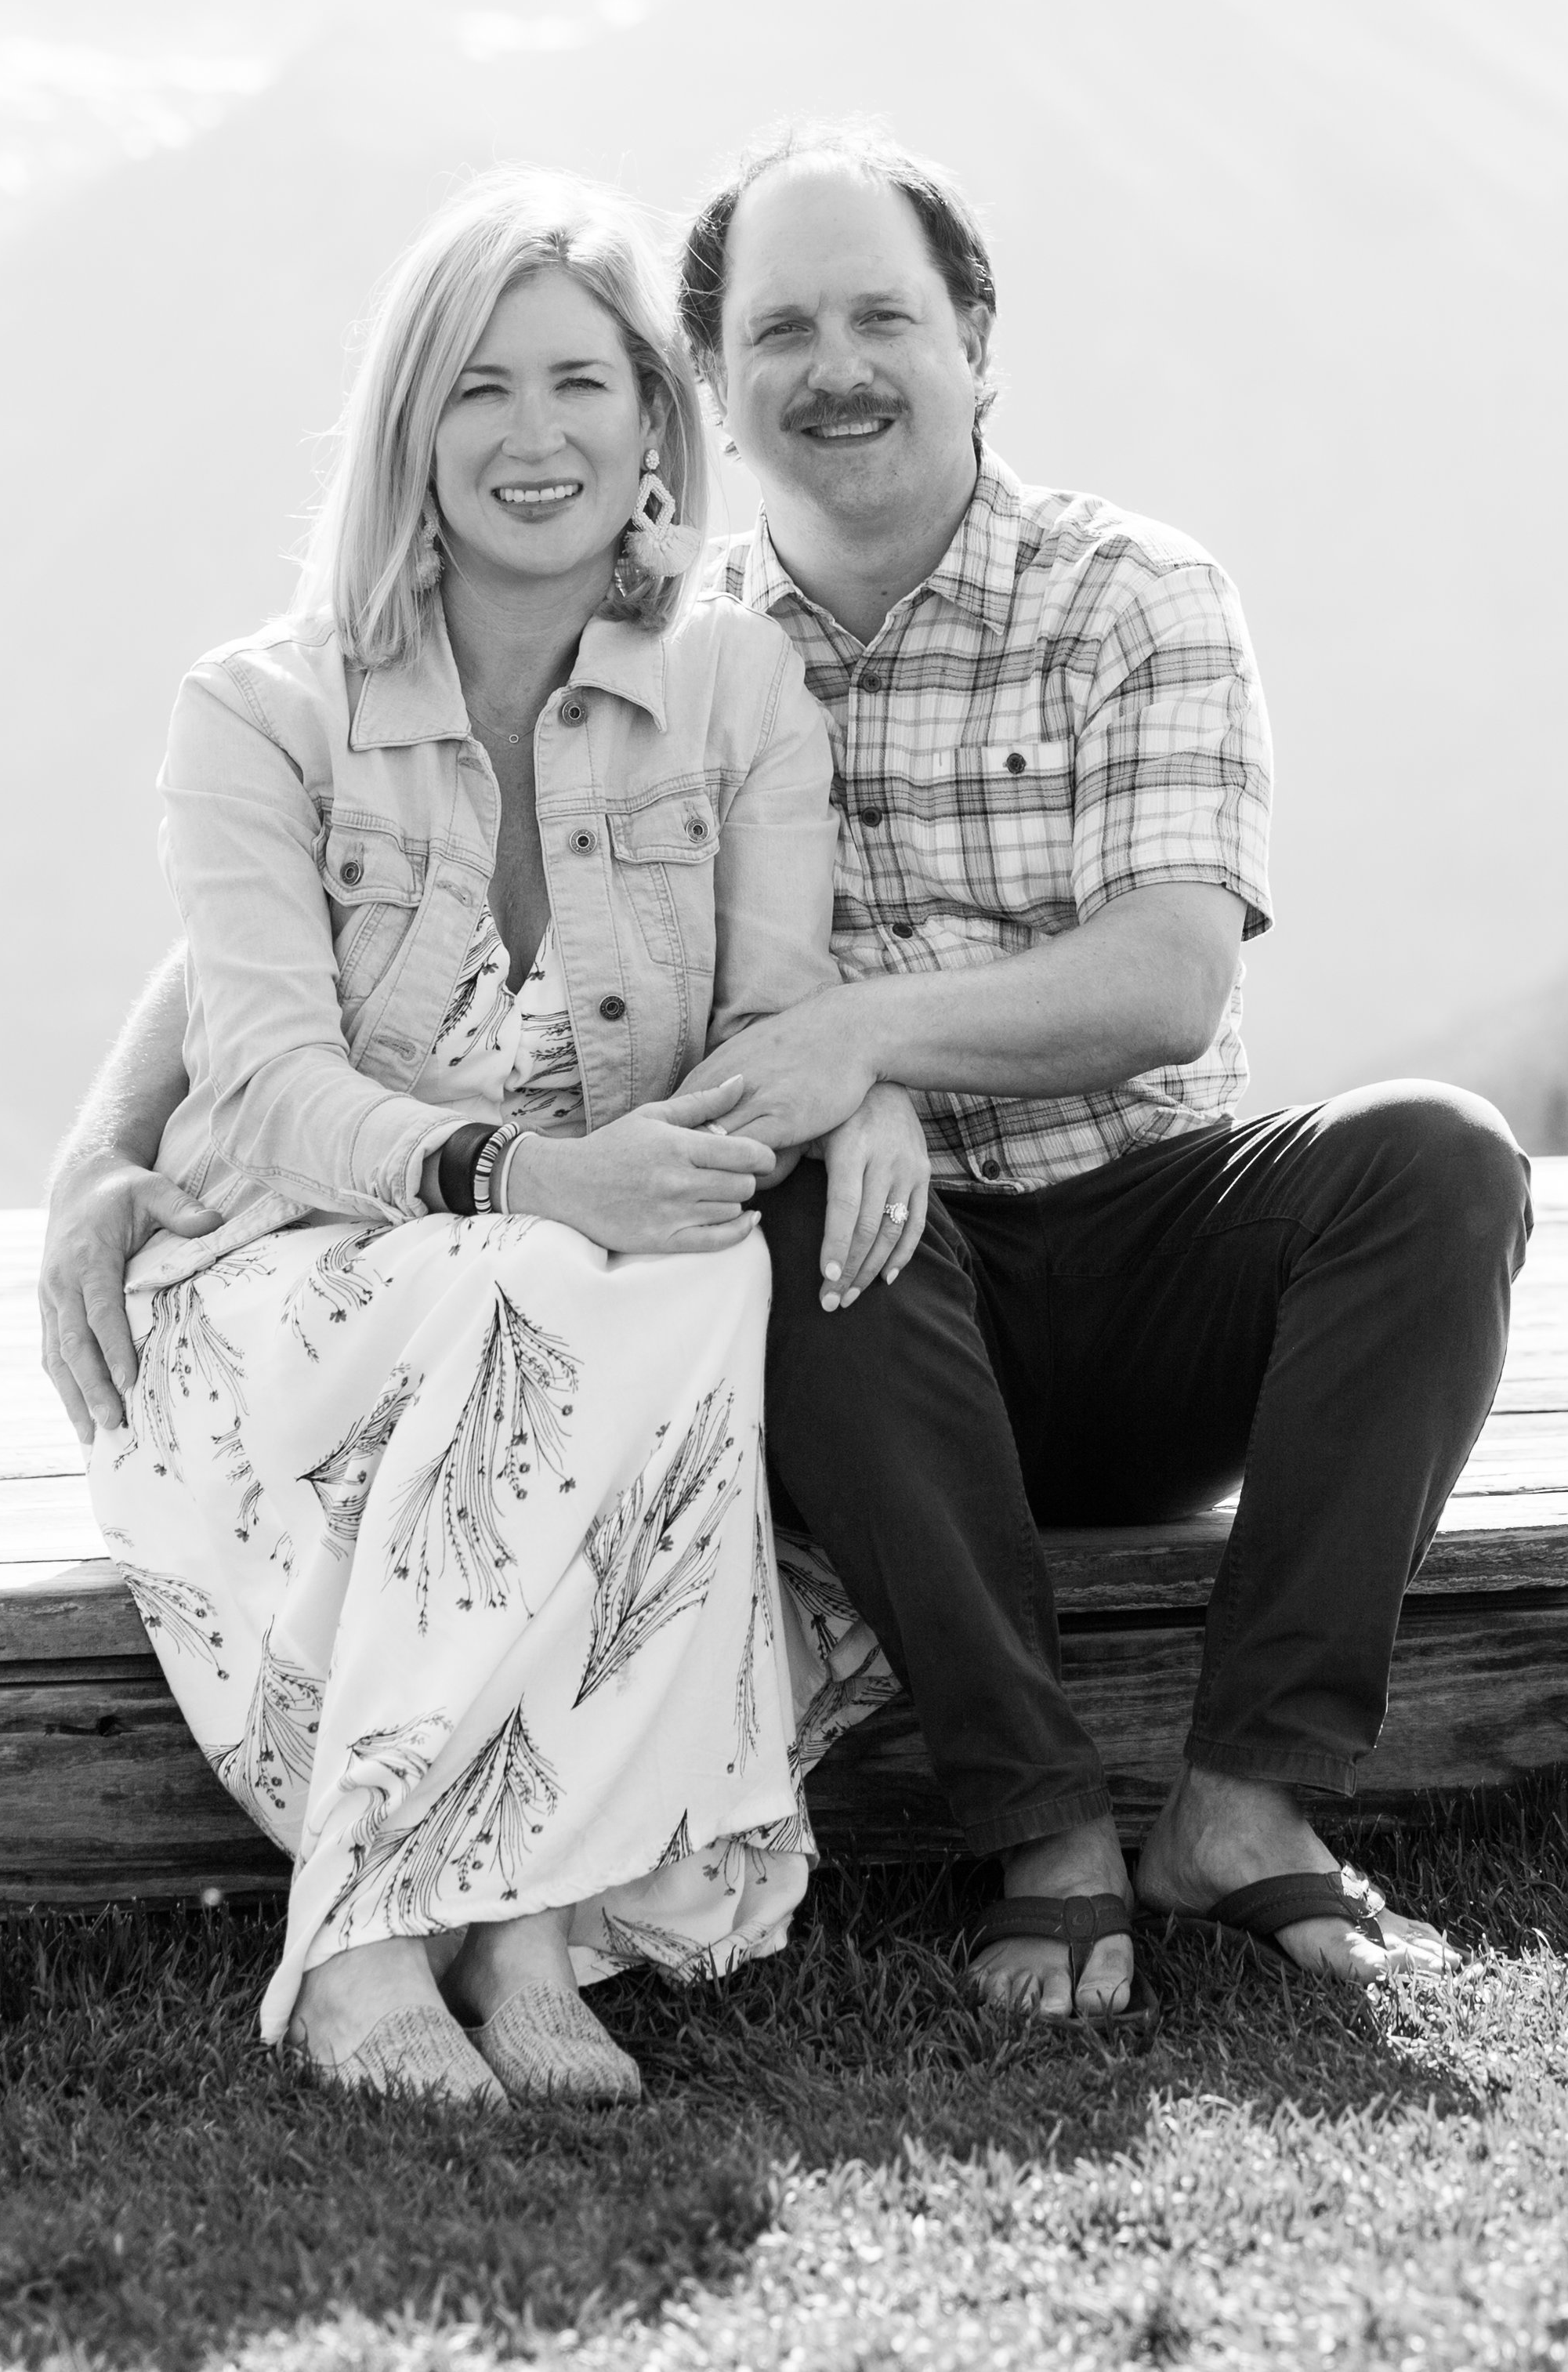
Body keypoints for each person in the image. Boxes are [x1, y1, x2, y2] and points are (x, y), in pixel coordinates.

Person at [43, 120, 1533, 2040]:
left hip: (1127, 1236)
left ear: (974, 336)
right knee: (791, 1204)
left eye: (880, 317)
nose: (834, 367)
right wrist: (100, 1143)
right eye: (780, 332)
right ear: (719, 396)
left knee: (1437, 1164)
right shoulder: (658, 613)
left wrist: (855, 1045)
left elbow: (1168, 982)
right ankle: (1045, 1830)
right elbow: (310, 895)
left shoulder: (1129, 593)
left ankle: (1242, 1805)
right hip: (848, 1323)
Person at [71, 165, 929, 2107]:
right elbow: (269, 1079)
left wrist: (854, 1077)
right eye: (476, 387)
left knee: (674, 1261)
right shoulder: (263, 710)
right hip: (280, 1284)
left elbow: (772, 1011)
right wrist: (518, 1179)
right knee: (591, 1265)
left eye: (577, 384)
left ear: (651, 422)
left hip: (588, 1283)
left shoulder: (733, 686)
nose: (530, 436)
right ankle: (373, 1948)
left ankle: (517, 1933)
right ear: (408, 425)